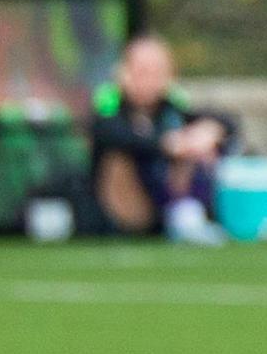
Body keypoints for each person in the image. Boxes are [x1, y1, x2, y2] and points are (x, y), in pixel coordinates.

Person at [88, 35, 234, 243]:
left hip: (168, 198)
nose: (148, 80)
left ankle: (191, 215)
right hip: (119, 215)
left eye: (156, 72)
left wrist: (206, 133)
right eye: (141, 71)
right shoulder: (110, 105)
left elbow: (225, 122)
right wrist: (168, 145)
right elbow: (113, 134)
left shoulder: (172, 109)